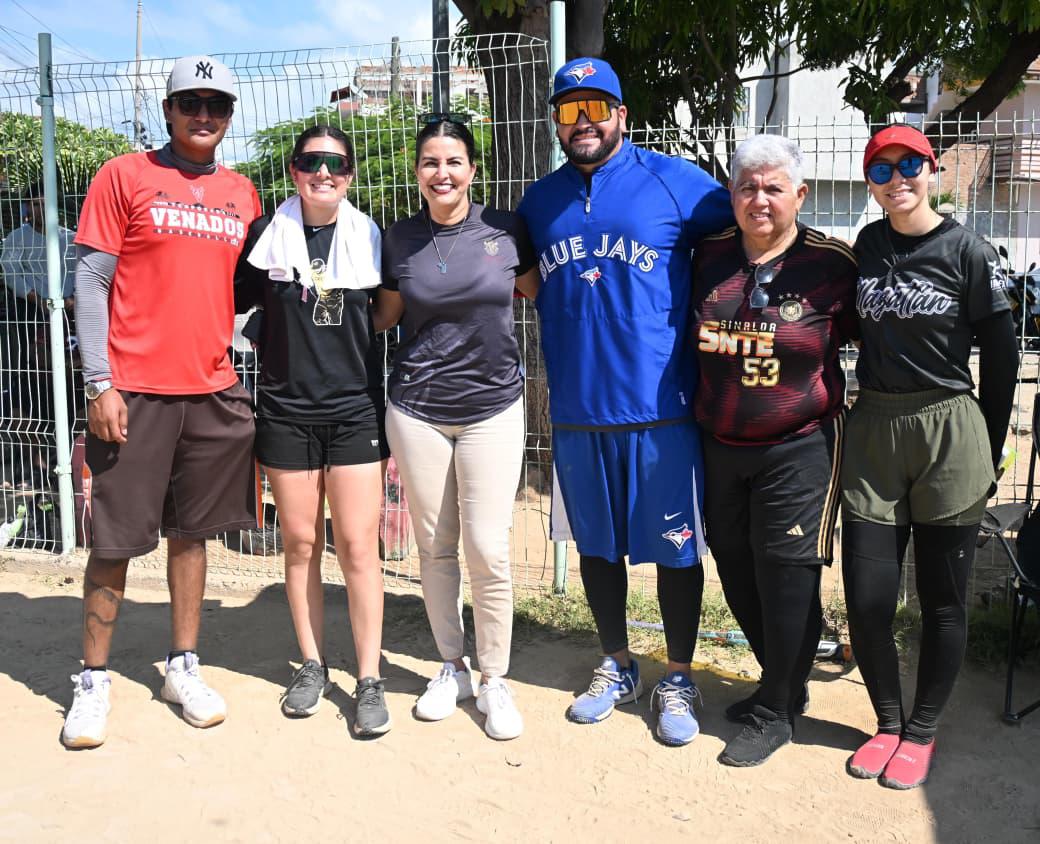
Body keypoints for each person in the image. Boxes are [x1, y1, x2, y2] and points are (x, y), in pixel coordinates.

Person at [517, 57, 733, 746]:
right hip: (579, 412)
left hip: (661, 411)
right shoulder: (538, 202)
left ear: (622, 115)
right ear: (555, 120)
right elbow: (516, 276)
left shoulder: (675, 184)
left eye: (596, 108)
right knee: (597, 550)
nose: (583, 123)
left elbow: (751, 235)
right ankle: (616, 663)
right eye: (568, 110)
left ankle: (677, 676)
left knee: (675, 551)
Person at [61, 55, 261, 749]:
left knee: (193, 535)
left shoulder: (244, 193)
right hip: (133, 392)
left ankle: (182, 665)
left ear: (229, 116)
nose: (204, 115)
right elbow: (88, 284)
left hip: (209, 389)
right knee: (114, 542)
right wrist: (99, 383)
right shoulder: (124, 176)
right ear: (169, 110)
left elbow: (241, 291)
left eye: (217, 105)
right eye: (191, 102)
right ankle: (92, 680)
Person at [841, 123, 1017, 788]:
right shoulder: (868, 246)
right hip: (875, 432)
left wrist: (989, 450)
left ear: (933, 169)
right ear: (871, 183)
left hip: (950, 429)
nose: (898, 179)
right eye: (882, 169)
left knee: (942, 599)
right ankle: (888, 722)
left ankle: (922, 731)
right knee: (868, 596)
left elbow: (1000, 360)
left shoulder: (969, 251)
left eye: (909, 164)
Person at [691, 134, 857, 766]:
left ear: (800, 195)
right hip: (720, 442)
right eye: (747, 187)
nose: (759, 200)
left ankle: (775, 711)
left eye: (773, 188)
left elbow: (873, 337)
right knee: (735, 565)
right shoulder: (705, 256)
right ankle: (782, 684)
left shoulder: (834, 264)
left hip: (801, 444)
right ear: (731, 194)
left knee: (787, 576)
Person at [375, 116, 539, 741]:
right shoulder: (398, 240)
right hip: (416, 408)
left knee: (489, 548)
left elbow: (534, 293)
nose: (442, 173)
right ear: (418, 173)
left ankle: (494, 677)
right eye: (429, 162)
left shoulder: (505, 229)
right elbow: (385, 317)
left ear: (473, 169)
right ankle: (451, 666)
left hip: (493, 407)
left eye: (453, 161)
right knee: (436, 546)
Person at [235, 125, 391, 737]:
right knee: (299, 542)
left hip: (354, 410)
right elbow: (236, 301)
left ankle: (370, 676)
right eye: (310, 162)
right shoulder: (264, 239)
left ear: (350, 174)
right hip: (284, 411)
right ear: (293, 169)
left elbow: (386, 312)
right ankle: (311, 664)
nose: (323, 173)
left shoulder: (371, 236)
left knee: (357, 546)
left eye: (336, 164)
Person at [1, 182, 76, 492]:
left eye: (42, 203)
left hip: (67, 316)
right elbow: (9, 271)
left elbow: (79, 273)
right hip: (28, 314)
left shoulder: (69, 239)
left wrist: (71, 301)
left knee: (68, 380)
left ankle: (66, 450)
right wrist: (32, 296)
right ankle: (32, 460)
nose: (36, 209)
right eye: (31, 203)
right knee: (29, 384)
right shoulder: (16, 239)